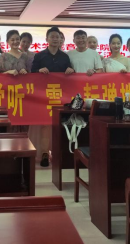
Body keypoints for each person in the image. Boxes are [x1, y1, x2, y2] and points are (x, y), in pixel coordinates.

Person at [30, 26, 74, 167]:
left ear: (61, 39)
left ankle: (58, 153)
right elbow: (32, 73)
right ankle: (44, 153)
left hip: (61, 95)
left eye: (57, 37)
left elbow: (71, 75)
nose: (55, 39)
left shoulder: (65, 57)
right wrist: (38, 70)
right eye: (52, 36)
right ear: (47, 39)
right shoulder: (39, 56)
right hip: (44, 95)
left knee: (60, 124)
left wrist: (71, 70)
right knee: (45, 124)